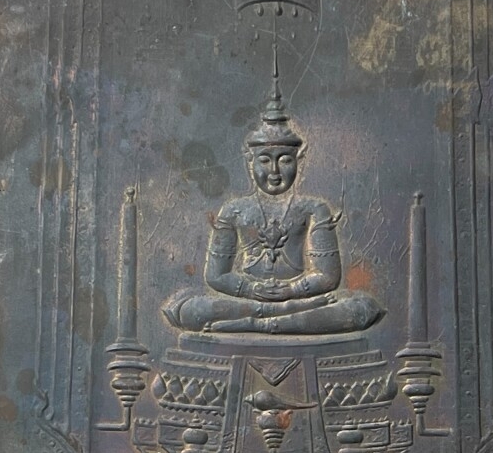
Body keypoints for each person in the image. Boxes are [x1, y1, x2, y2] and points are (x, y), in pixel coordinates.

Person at [162, 75, 384, 335]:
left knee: (361, 308)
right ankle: (274, 317)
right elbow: (215, 276)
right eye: (265, 160)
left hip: (298, 300)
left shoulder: (313, 208)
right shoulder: (234, 210)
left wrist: (291, 291)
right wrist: (251, 289)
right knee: (189, 308)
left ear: (299, 159)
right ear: (250, 159)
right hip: (254, 302)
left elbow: (328, 277)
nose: (275, 171)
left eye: (285, 160)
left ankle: (259, 323)